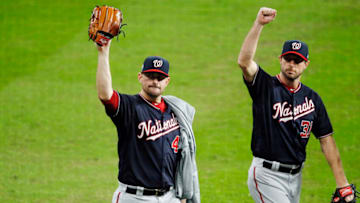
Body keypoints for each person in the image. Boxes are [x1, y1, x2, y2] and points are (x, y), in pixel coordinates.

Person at [237, 7, 355, 203]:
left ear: (306, 64)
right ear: (280, 59)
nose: (292, 64)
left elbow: (327, 140)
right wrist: (258, 24)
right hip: (267, 176)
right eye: (288, 59)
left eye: (297, 61)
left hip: (295, 177)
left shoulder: (312, 99)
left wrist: (342, 183)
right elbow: (244, 61)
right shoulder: (264, 86)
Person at [96, 40, 200, 203]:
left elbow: (180, 156)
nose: (155, 81)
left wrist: (181, 196)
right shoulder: (129, 107)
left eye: (160, 77)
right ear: (140, 77)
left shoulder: (175, 111)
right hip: (134, 197)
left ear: (167, 81)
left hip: (170, 196)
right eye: (150, 76)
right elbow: (105, 95)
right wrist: (103, 53)